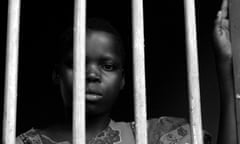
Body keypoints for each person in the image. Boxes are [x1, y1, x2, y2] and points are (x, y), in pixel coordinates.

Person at [16, 18, 213, 143]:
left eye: (107, 66)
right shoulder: (23, 142)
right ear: (57, 74)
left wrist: (225, 67)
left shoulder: (152, 136)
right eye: (77, 63)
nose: (92, 75)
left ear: (122, 80)